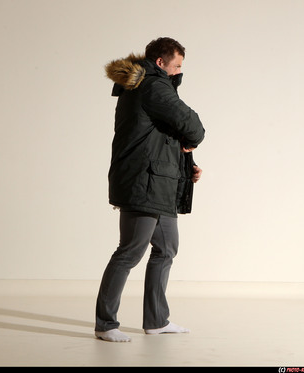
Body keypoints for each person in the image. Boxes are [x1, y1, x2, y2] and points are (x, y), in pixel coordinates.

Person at [94, 37, 205, 342]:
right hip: (144, 182)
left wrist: (186, 167)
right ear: (161, 62)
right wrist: (189, 135)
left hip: (158, 183)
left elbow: (164, 140)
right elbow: (193, 126)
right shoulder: (153, 86)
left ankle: (156, 320)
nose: (179, 71)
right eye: (177, 65)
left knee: (166, 248)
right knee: (130, 252)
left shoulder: (151, 86)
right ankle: (105, 324)